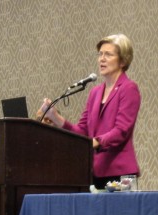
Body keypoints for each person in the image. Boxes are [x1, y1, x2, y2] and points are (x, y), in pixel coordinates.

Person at [38, 34, 141, 189]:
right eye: (100, 54)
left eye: (108, 54)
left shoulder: (128, 88)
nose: (102, 59)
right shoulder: (95, 92)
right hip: (94, 172)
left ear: (123, 60)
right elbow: (82, 132)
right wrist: (55, 117)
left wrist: (96, 141)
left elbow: (121, 131)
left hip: (120, 172)